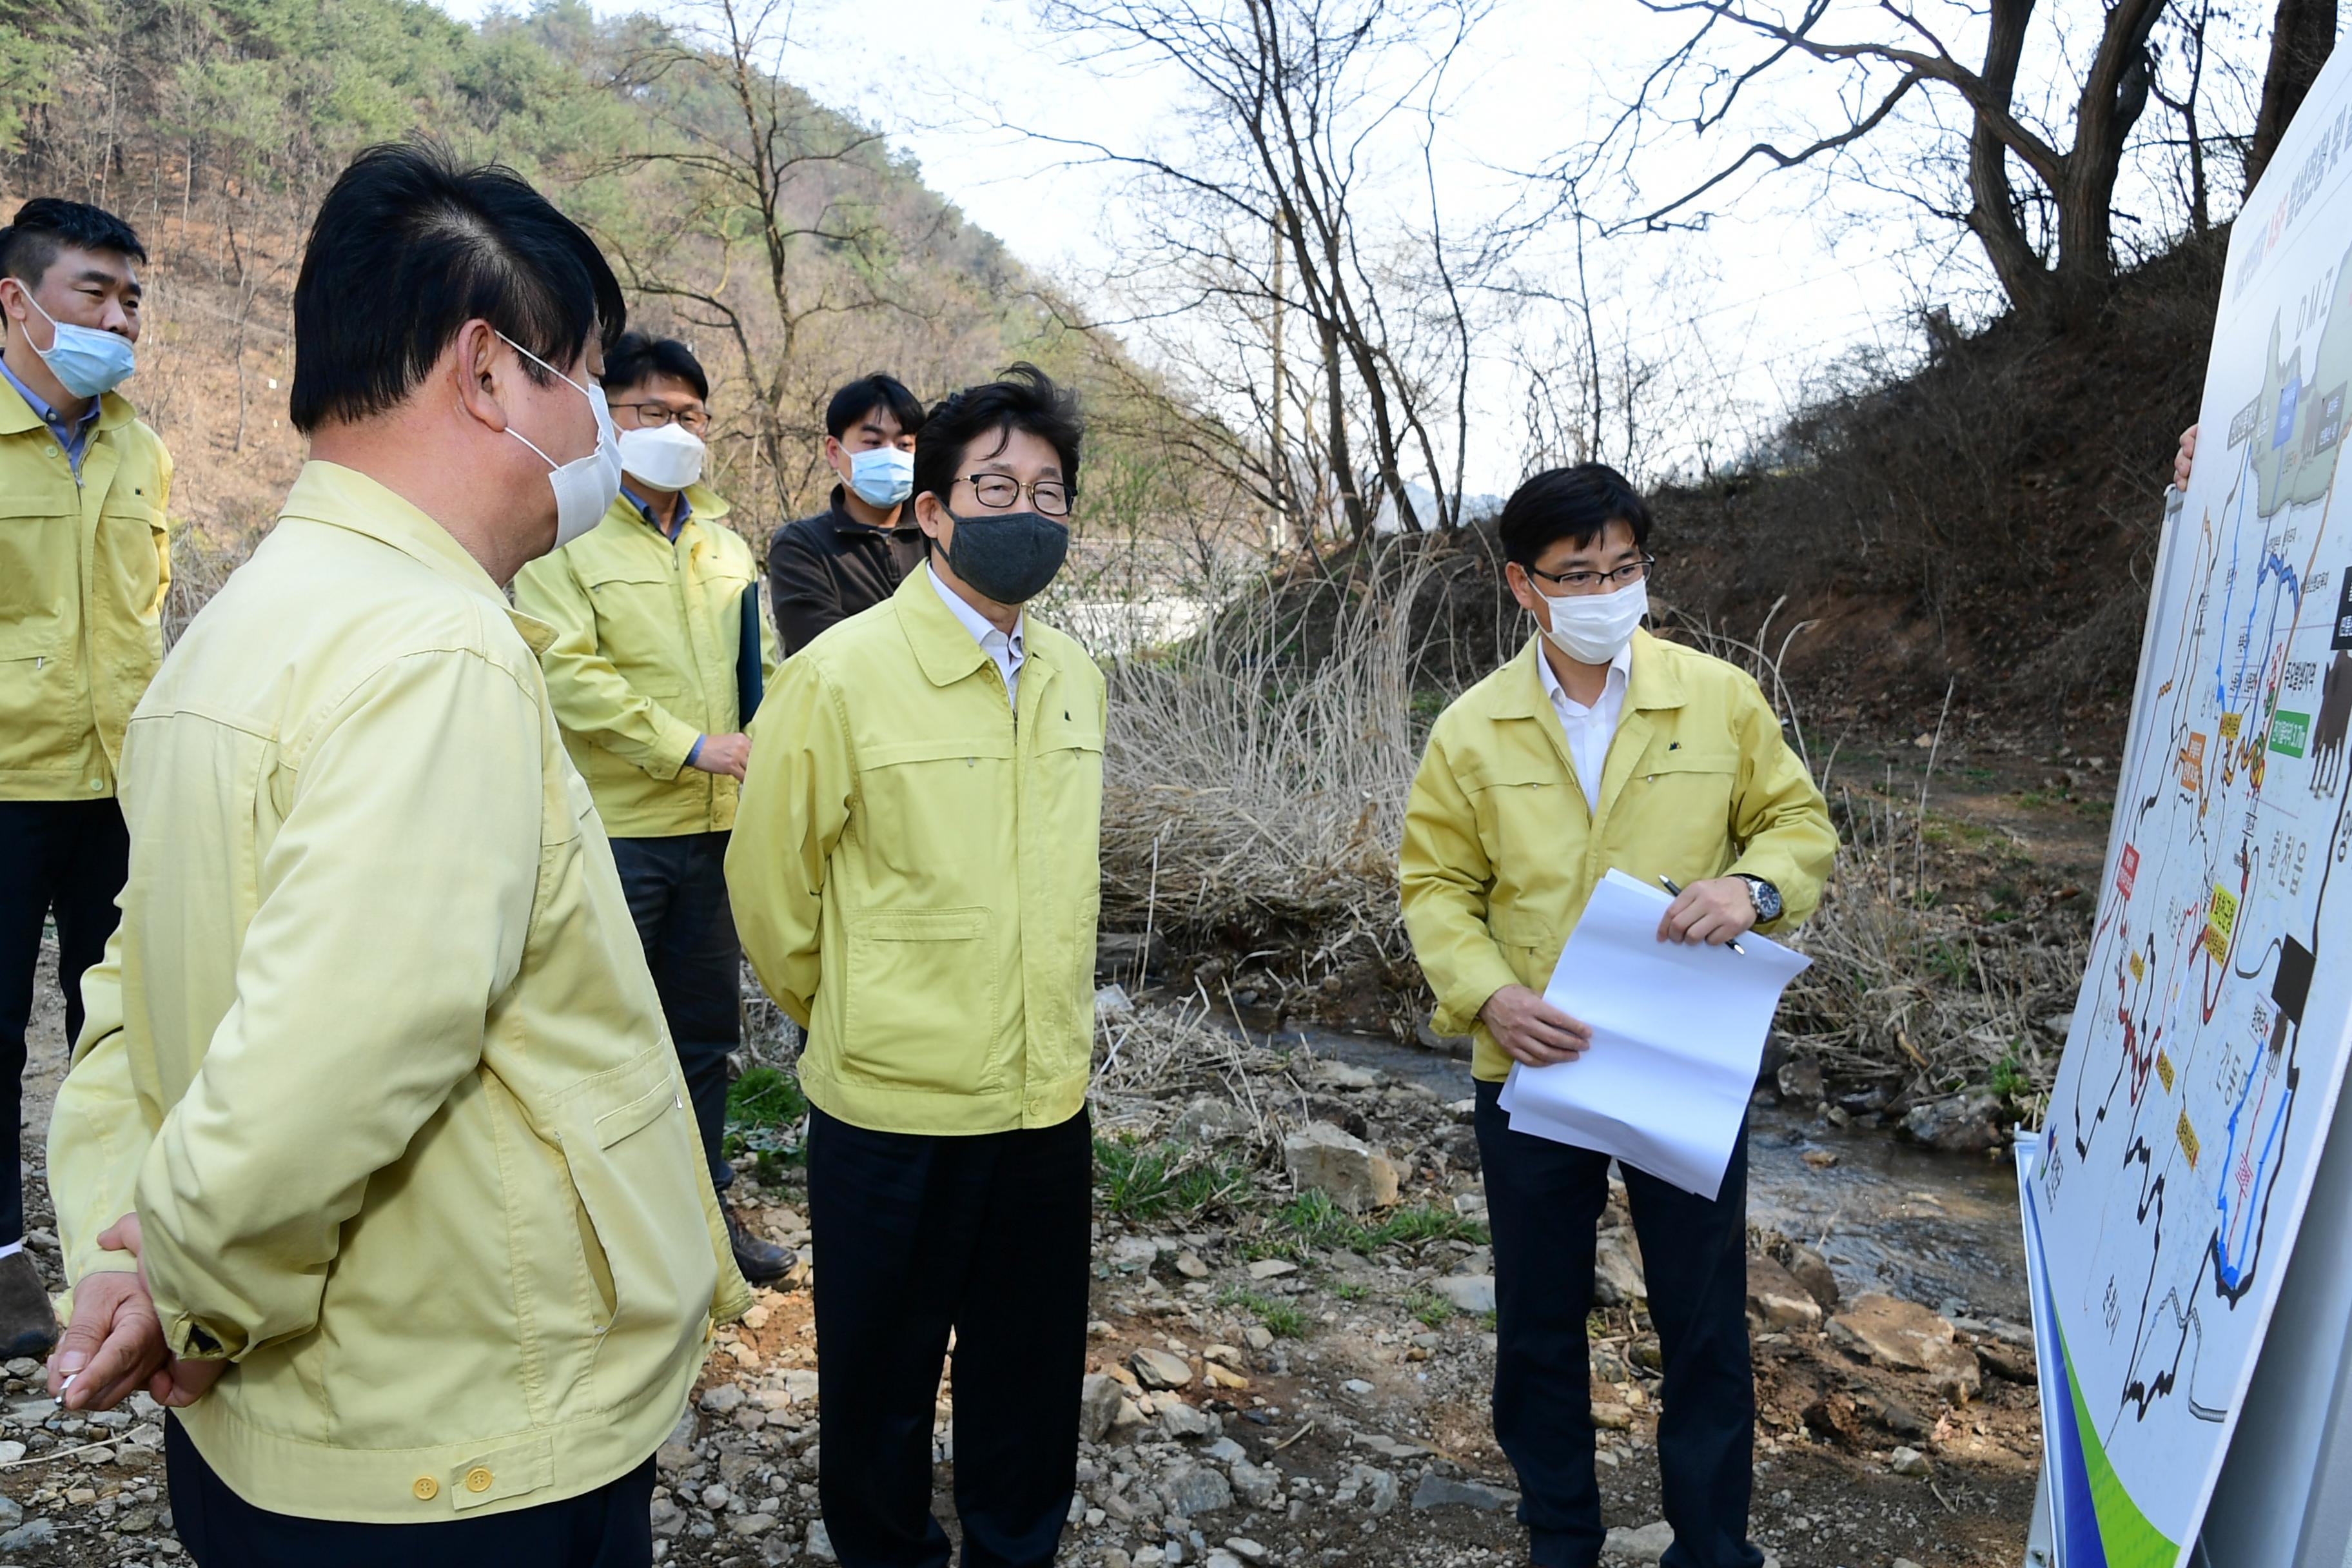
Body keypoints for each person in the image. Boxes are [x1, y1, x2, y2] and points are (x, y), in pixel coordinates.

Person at [43, 142, 750, 1565]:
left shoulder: (234, 631)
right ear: (488, 374)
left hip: (276, 1440)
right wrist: (180, 1277)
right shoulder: (438, 649)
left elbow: (122, 1001)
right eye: (585, 379)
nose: (605, 428)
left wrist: (125, 1259)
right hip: (458, 1442)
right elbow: (343, 1050)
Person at [1398, 463, 1837, 1568]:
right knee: (1539, 1324)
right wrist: (1487, 991)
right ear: (1521, 585)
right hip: (1532, 1063)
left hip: (1680, 1058)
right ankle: (1561, 1536)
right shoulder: (1472, 728)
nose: (1605, 589)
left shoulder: (1714, 696)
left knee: (1701, 1323)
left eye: (1623, 568)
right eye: (1576, 573)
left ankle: (1709, 1545)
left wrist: (1756, 888)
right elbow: (1434, 887)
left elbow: (1793, 820)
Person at [728, 363, 1102, 1568]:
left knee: (1029, 1374)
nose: (1024, 513)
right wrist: (846, 1009)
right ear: (930, 511)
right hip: (892, 1103)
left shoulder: (1073, 677)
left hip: (1044, 1100)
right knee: (881, 1384)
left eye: (1048, 491)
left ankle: (1013, 1548)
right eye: (992, 486)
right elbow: (771, 888)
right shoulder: (838, 675)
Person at [511, 329, 792, 1286]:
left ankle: (705, 1224)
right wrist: (687, 745)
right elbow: (565, 668)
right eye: (651, 412)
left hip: (717, 835)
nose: (675, 429)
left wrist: (772, 746)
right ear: (606, 416)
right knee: (602, 1034)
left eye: (691, 414)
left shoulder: (725, 546)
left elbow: (762, 673)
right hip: (618, 831)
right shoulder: (569, 532)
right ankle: (600, 1240)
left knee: (705, 1037)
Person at [0, 197, 170, 1360]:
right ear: (16, 299)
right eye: (91, 293)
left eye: (129, 301)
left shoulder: (141, 447)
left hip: (123, 784)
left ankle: (120, 1240)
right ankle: (4, 1259)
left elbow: (146, 612)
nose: (116, 319)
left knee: (122, 1023)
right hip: (6, 785)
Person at [765, 372, 928, 654]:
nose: (890, 455)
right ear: (833, 452)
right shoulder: (801, 546)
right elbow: (828, 651)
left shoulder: (941, 536)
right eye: (873, 443)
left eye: (904, 445)